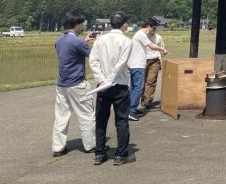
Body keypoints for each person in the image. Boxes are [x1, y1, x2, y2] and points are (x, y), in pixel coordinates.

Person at [89, 12, 134, 166]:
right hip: (119, 85)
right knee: (121, 120)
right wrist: (109, 80)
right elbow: (122, 63)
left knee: (101, 119)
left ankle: (99, 153)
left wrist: (101, 80)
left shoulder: (100, 40)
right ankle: (120, 154)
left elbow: (93, 61)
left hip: (102, 87)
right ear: (124, 24)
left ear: (110, 24)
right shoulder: (127, 41)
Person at [51, 10, 97, 157]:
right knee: (86, 115)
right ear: (77, 24)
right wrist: (98, 41)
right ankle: (90, 145)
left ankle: (58, 147)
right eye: (81, 24)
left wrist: (84, 40)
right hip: (77, 83)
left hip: (62, 84)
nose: (82, 26)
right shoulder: (77, 42)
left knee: (61, 116)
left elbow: (71, 50)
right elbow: (92, 55)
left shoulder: (59, 40)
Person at [127, 19, 168, 120]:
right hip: (138, 65)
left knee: (134, 87)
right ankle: (131, 111)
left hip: (136, 64)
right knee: (138, 88)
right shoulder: (141, 34)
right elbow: (151, 46)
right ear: (149, 26)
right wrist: (163, 49)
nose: (153, 30)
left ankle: (132, 108)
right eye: (153, 28)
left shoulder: (140, 34)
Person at [141, 22, 167, 109]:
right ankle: (142, 99)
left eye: (153, 30)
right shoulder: (142, 36)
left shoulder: (158, 38)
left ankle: (147, 101)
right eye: (151, 29)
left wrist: (161, 57)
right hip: (142, 60)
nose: (152, 32)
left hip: (155, 61)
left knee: (151, 81)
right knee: (141, 81)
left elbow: (162, 48)